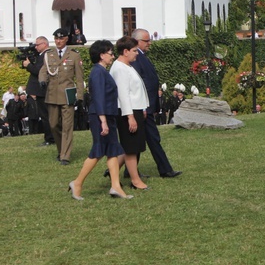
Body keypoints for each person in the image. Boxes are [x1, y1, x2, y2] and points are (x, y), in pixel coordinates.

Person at [67, 40, 131, 200]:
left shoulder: (102, 71)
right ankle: (77, 182)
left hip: (107, 116)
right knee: (98, 151)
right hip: (100, 117)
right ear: (102, 55)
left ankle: (115, 186)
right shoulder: (98, 72)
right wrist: (103, 121)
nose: (112, 56)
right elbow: (98, 98)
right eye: (110, 54)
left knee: (112, 151)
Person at [131, 28, 182, 177]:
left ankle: (130, 170)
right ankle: (165, 169)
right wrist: (145, 106)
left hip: (145, 106)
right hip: (142, 106)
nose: (150, 43)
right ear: (137, 42)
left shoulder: (142, 56)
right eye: (146, 41)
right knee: (150, 138)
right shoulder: (136, 58)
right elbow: (139, 83)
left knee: (141, 139)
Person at [39, 28, 85, 165]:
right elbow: (43, 70)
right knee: (53, 125)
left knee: (67, 126)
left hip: (67, 95)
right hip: (52, 94)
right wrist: (42, 80)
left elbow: (79, 78)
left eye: (61, 38)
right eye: (56, 39)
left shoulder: (74, 55)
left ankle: (65, 155)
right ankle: (61, 149)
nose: (58, 41)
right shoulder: (49, 54)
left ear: (66, 39)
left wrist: (80, 96)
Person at [110, 36, 150, 190]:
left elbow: (136, 90)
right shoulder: (119, 68)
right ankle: (135, 180)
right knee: (131, 148)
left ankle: (112, 171)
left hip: (135, 109)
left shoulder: (127, 66)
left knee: (130, 146)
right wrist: (130, 117)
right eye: (134, 51)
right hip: (128, 111)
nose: (137, 53)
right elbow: (123, 94)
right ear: (125, 51)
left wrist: (142, 108)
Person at [23, 36, 54, 145]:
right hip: (40, 90)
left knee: (45, 116)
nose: (36, 47)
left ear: (44, 44)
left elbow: (40, 71)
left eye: (38, 44)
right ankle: (50, 137)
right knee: (45, 115)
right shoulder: (41, 55)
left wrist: (28, 65)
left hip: (42, 90)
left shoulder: (46, 55)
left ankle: (50, 138)